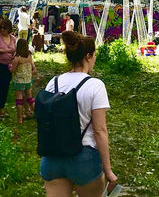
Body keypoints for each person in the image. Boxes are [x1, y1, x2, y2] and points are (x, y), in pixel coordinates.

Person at [40, 31, 117, 197]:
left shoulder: (53, 83)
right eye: (95, 55)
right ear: (88, 56)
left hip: (52, 156)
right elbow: (99, 131)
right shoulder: (95, 86)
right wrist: (108, 170)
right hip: (84, 158)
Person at [9, 38, 36, 124]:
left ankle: (19, 119)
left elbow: (12, 70)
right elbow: (33, 68)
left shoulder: (17, 58)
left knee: (19, 100)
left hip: (18, 82)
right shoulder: (29, 57)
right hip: (27, 81)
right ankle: (38, 113)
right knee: (30, 99)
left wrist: (9, 66)